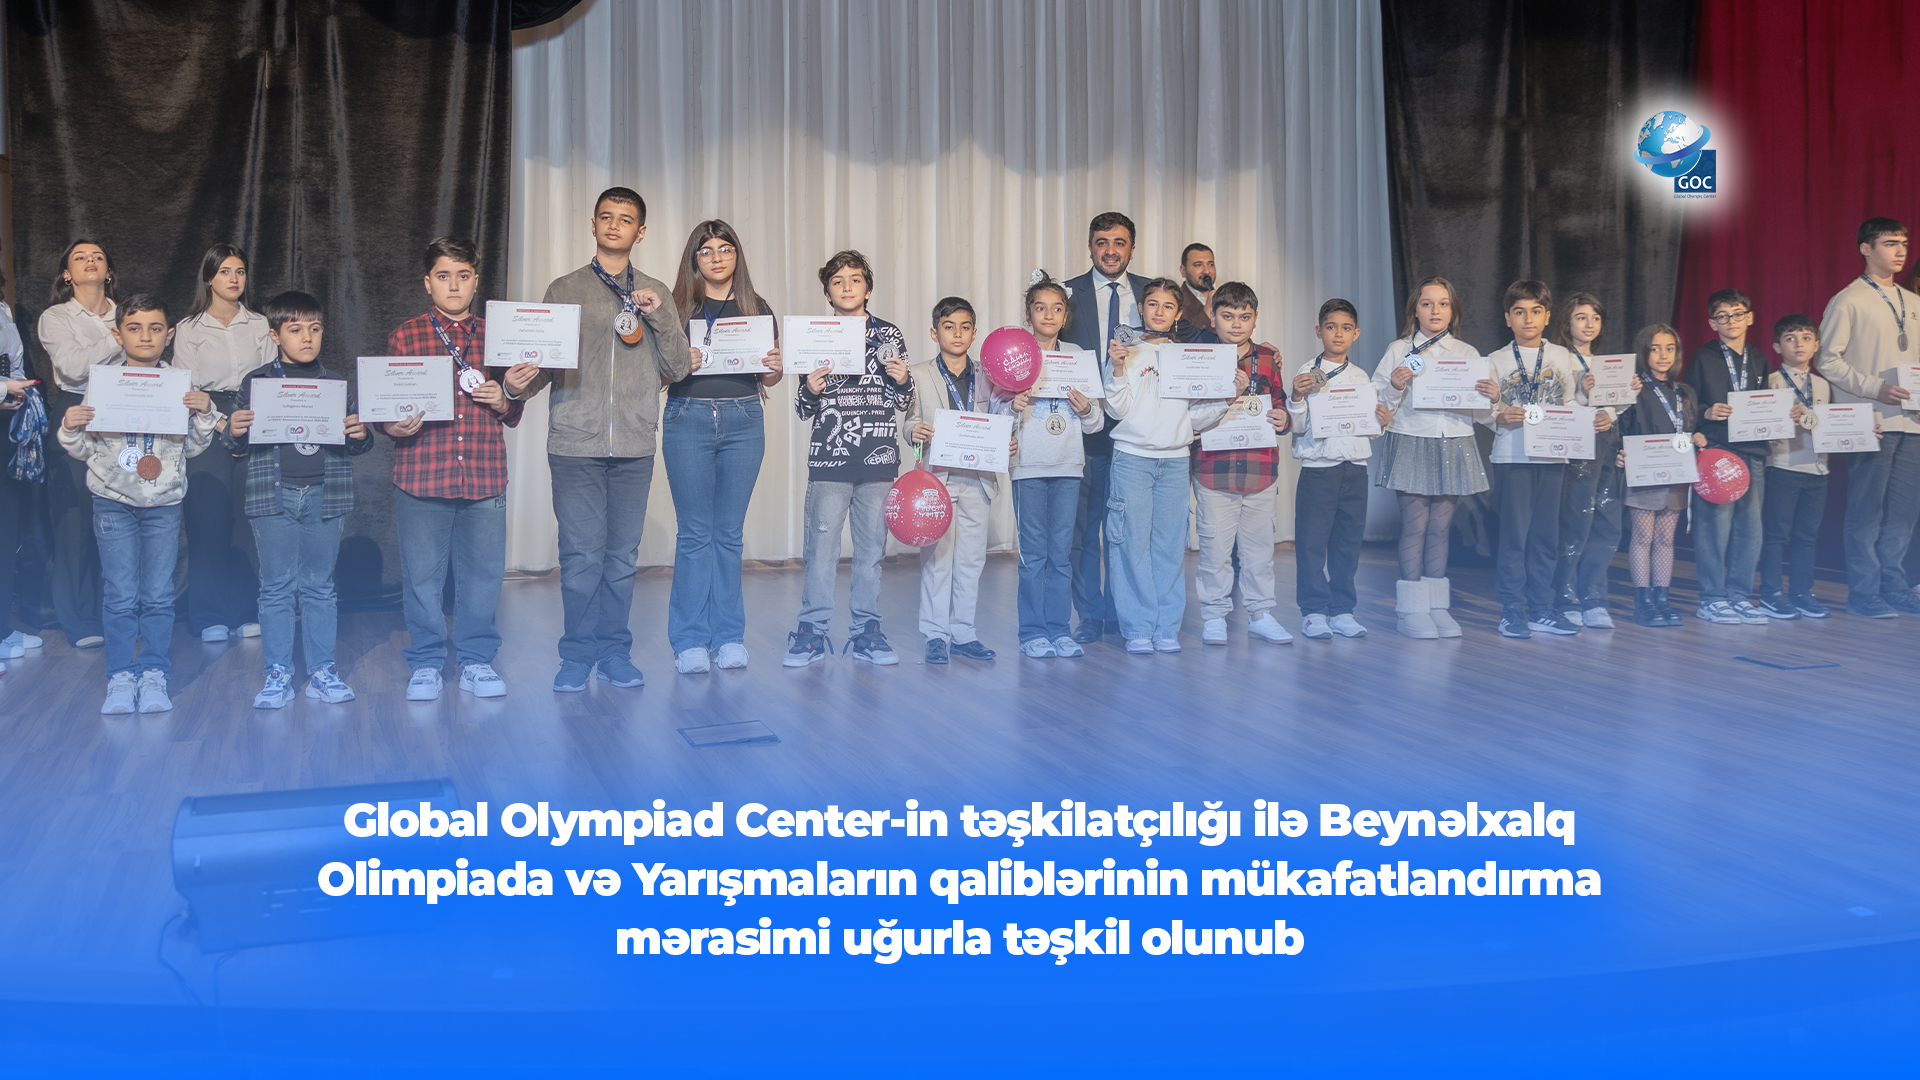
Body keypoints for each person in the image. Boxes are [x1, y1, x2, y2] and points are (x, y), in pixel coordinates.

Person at [504, 187, 692, 690]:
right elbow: (544, 365)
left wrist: (658, 313)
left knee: (621, 557)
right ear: (592, 225)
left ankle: (613, 652)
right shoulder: (563, 289)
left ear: (640, 232)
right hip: (574, 444)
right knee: (581, 556)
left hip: (633, 443)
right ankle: (576, 655)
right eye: (606, 217)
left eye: (625, 219)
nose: (614, 225)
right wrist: (515, 386)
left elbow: (678, 367)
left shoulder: (655, 291)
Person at [57, 296, 220, 712]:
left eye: (155, 328)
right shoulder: (103, 384)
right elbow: (84, 449)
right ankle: (120, 675)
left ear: (169, 335)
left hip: (163, 502)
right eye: (134, 328)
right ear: (118, 335)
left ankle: (154, 673)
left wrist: (205, 414)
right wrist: (70, 428)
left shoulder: (181, 385)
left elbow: (192, 448)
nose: (145, 336)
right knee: (120, 594)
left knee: (159, 595)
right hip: (113, 501)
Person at [383, 236, 527, 701]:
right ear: (428, 283)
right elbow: (387, 407)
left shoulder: (498, 337)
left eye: (463, 276)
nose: (453, 285)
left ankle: (475, 660)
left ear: (476, 282)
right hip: (422, 475)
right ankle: (426, 662)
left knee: (483, 574)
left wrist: (505, 396)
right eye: (443, 276)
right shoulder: (406, 336)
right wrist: (392, 425)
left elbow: (513, 411)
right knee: (422, 578)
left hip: (484, 474)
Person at [224, 290, 374, 708]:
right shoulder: (256, 383)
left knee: (319, 587)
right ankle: (277, 672)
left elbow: (360, 443)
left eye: (315, 328)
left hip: (326, 495)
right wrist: (233, 430)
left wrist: (361, 434)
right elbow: (233, 446)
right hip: (271, 497)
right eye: (295, 329)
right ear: (275, 335)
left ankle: (322, 670)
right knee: (276, 587)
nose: (307, 337)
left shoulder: (335, 384)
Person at [665, 220, 783, 675]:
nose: (716, 257)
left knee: (729, 534)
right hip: (687, 419)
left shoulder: (757, 306)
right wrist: (680, 364)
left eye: (725, 248)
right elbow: (657, 375)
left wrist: (774, 367)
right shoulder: (677, 307)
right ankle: (690, 640)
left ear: (737, 255)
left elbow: (769, 377)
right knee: (695, 534)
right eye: (706, 250)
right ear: (694, 259)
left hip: (743, 420)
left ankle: (729, 637)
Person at [783, 250, 912, 667]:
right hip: (830, 461)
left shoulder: (889, 335)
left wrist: (903, 380)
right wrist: (810, 388)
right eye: (837, 282)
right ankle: (811, 632)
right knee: (821, 550)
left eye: (855, 280)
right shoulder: (814, 336)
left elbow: (904, 401)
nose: (847, 287)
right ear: (827, 293)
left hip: (878, 462)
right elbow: (802, 409)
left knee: (871, 551)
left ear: (868, 289)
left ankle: (866, 632)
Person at [1481, 280, 1611, 639]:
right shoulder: (1495, 360)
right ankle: (1511, 609)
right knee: (1514, 537)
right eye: (1519, 312)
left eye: (1536, 311)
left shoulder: (1561, 357)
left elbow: (1569, 403)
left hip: (1553, 457)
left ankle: (1541, 609)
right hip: (1512, 456)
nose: (1528, 319)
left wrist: (1592, 412)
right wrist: (1497, 416)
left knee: (1545, 537)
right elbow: (1484, 409)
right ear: (1507, 318)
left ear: (1548, 316)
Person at [1104, 279, 1227, 649]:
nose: (1159, 311)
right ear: (1141, 309)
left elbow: (1195, 418)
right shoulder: (1125, 351)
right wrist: (1117, 368)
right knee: (1131, 544)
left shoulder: (1186, 356)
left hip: (1175, 461)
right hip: (1132, 459)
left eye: (1168, 305)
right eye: (1152, 304)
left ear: (1178, 313)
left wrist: (1226, 397)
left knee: (1170, 546)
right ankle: (1139, 628)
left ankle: (1167, 627)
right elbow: (1117, 409)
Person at [1372, 277, 1488, 638]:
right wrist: (1395, 386)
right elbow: (1378, 404)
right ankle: (1410, 609)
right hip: (1412, 438)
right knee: (1416, 526)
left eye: (1443, 303)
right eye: (1427, 303)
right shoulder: (1398, 349)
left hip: (1454, 441)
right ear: (1415, 310)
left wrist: (1492, 396)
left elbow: (1481, 411)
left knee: (1440, 528)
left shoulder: (1467, 353)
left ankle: (1437, 606)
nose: (1435, 310)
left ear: (1453, 310)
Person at [1816, 216, 1920, 617]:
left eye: (1904, 244)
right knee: (1867, 512)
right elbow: (1827, 360)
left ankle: (1894, 586)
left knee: (1903, 513)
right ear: (1866, 248)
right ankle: (1863, 594)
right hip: (1871, 423)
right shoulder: (1848, 300)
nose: (1900, 251)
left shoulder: (1913, 302)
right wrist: (1874, 388)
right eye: (1890, 243)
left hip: (1912, 423)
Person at [173, 243, 271, 643]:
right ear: (209, 278)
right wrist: (219, 422)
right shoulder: (189, 328)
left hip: (254, 416)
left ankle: (248, 610)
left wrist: (248, 422)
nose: (234, 279)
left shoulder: (261, 324)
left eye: (240, 271)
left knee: (249, 519)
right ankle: (209, 613)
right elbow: (187, 388)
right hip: (206, 423)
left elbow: (271, 376)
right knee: (207, 518)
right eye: (225, 271)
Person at [1062, 212, 1148, 643]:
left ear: (1132, 248)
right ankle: (1091, 615)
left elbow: (1196, 339)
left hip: (1136, 427)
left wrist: (1251, 350)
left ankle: (1122, 612)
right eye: (1102, 242)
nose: (1110, 251)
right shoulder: (1066, 294)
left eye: (1119, 242)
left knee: (1128, 527)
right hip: (1082, 425)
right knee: (1084, 528)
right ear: (1090, 246)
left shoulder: (1153, 293)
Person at [1191, 282, 1292, 648]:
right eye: (1228, 316)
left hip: (1260, 470)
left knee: (1260, 552)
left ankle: (1261, 615)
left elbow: (1280, 401)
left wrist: (1284, 418)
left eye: (1244, 317)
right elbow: (1189, 413)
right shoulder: (1199, 358)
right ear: (1213, 318)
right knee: (1214, 551)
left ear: (1255, 319)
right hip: (1213, 471)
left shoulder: (1267, 358)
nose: (1236, 324)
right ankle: (1214, 616)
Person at [904, 297, 1003, 664]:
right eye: (948, 327)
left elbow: (1001, 419)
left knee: (971, 561)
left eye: (965, 327)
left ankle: (963, 632)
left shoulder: (990, 375)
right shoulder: (918, 373)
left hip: (979, 479)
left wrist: (1007, 440)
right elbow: (909, 420)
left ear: (974, 333)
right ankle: (935, 634)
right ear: (935, 333)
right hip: (937, 480)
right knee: (937, 560)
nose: (957, 334)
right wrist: (914, 431)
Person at [1009, 273, 1103, 658]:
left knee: (1061, 555)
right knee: (1034, 556)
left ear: (1066, 316)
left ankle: (1059, 629)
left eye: (1057, 308)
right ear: (1028, 314)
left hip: (1068, 467)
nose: (1048, 315)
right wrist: (1012, 406)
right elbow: (995, 418)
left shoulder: (1077, 355)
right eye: (1040, 307)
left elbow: (1095, 423)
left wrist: (1087, 410)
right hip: (1028, 468)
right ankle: (1032, 632)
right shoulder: (1014, 355)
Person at [1287, 298, 1387, 640]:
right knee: (1312, 544)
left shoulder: (1361, 377)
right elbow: (1298, 425)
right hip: (1318, 469)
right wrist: (1295, 398)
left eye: (1346, 328)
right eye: (1331, 327)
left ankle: (1343, 610)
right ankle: (1314, 612)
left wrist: (1380, 421)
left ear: (1356, 334)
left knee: (1348, 544)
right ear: (1319, 331)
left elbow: (1367, 428)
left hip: (1354, 470)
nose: (1338, 334)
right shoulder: (1306, 372)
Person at [37, 239, 116, 649]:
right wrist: (118, 338)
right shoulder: (56, 317)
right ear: (67, 274)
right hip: (76, 410)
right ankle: (80, 619)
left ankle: (116, 614)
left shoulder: (127, 313)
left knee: (121, 516)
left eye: (97, 256)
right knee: (75, 522)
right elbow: (71, 367)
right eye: (80, 257)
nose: (90, 261)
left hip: (125, 410)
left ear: (109, 272)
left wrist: (124, 331)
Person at [1684, 288, 1772, 625]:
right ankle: (1712, 598)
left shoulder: (1759, 359)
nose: (1731, 321)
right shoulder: (1703, 358)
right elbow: (1687, 403)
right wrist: (1706, 412)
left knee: (1751, 528)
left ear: (1750, 317)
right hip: (1718, 449)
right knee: (1714, 527)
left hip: (1752, 450)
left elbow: (1764, 403)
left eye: (1737, 314)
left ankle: (1739, 596)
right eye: (1723, 316)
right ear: (1712, 323)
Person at [1550, 293, 1632, 629]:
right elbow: (1559, 403)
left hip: (1608, 442)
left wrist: (1624, 397)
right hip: (1578, 444)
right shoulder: (1559, 359)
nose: (1589, 324)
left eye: (1595, 318)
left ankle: (1594, 598)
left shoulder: (1605, 363)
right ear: (1566, 322)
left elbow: (1615, 405)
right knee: (1577, 521)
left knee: (1607, 521)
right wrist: (1584, 398)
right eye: (1581, 317)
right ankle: (1565, 596)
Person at [1615, 325, 1702, 628]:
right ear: (1643, 352)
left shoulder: (1685, 391)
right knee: (1642, 538)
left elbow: (1690, 429)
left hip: (1676, 474)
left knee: (1665, 539)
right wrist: (1619, 453)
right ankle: (1643, 603)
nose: (1663, 355)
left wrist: (1697, 437)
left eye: (1670, 348)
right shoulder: (1634, 388)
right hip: (1644, 473)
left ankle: (1662, 600)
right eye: (1655, 348)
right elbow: (1621, 427)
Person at [1757, 315, 1833, 620]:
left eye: (1805, 338)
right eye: (1790, 338)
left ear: (1816, 345)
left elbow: (1834, 424)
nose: (1799, 344)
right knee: (1776, 535)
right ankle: (1771, 593)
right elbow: (1758, 427)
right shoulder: (1770, 382)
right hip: (1783, 466)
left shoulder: (1823, 385)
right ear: (1777, 346)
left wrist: (1863, 431)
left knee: (1808, 536)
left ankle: (1801, 592)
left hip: (1818, 469)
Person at [0, 277, 47, 673]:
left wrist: (16, 391)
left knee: (7, 529)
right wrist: (4, 389)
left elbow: (12, 365)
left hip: (6, 424)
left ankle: (2, 628)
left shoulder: (3, 308)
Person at [1175, 243, 1216, 337]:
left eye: (1210, 264)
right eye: (1198, 265)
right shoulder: (1175, 300)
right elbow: (1182, 336)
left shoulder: (1224, 297)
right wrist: (1207, 311)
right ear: (1183, 271)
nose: (1206, 271)